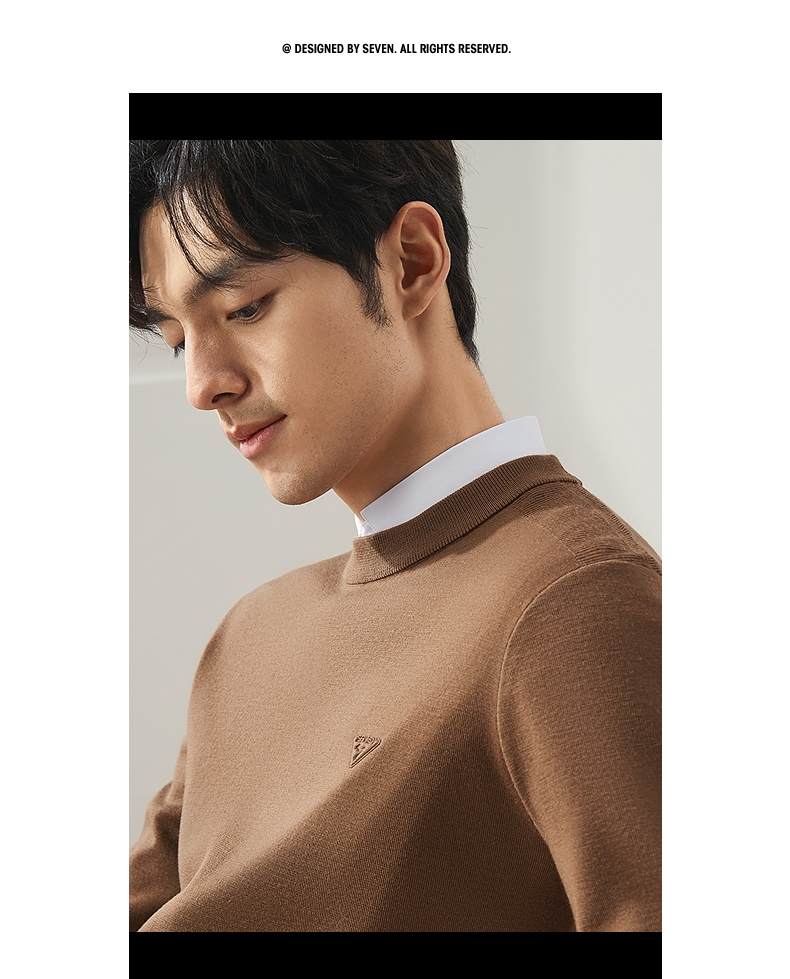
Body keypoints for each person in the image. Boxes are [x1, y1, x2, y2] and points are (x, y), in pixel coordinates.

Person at [129, 140, 661, 932]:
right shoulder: (248, 637)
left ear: (412, 261)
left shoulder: (575, 604)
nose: (202, 383)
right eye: (179, 337)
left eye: (244, 307)